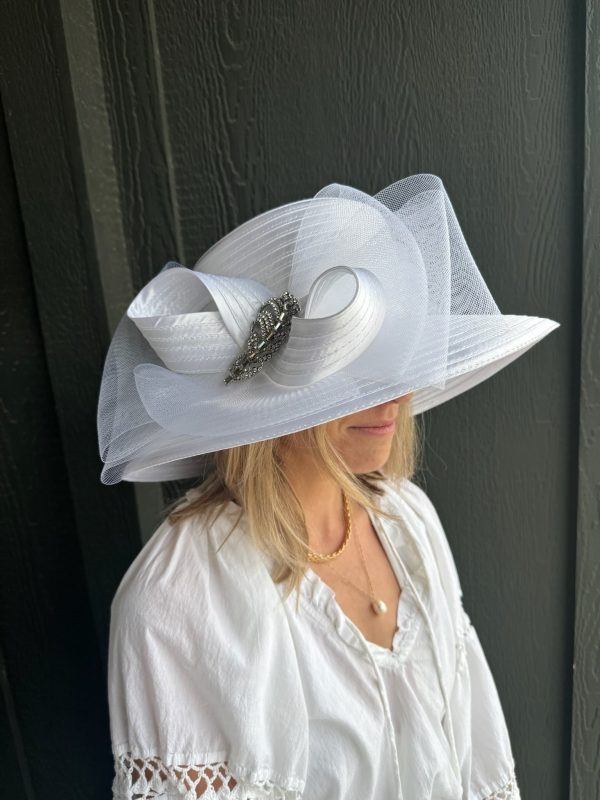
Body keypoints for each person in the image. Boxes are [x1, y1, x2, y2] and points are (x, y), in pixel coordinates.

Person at [99, 174, 559, 799]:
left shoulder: (407, 521)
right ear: (259, 400)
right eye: (352, 371)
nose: (397, 393)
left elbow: (471, 761)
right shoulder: (177, 602)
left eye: (398, 360)